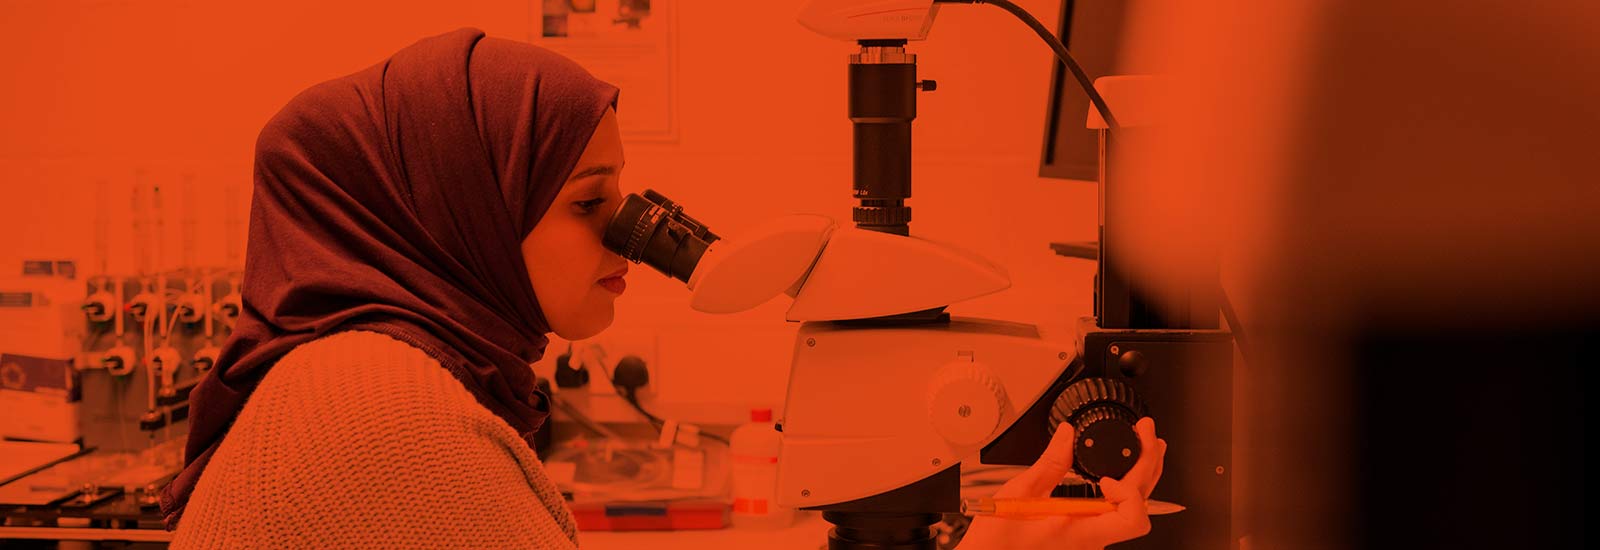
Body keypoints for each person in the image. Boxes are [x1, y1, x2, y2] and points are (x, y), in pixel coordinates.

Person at [159, 28, 1165, 549]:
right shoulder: (381, 413)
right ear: (461, 209)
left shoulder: (384, 375)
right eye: (591, 202)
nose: (630, 239)